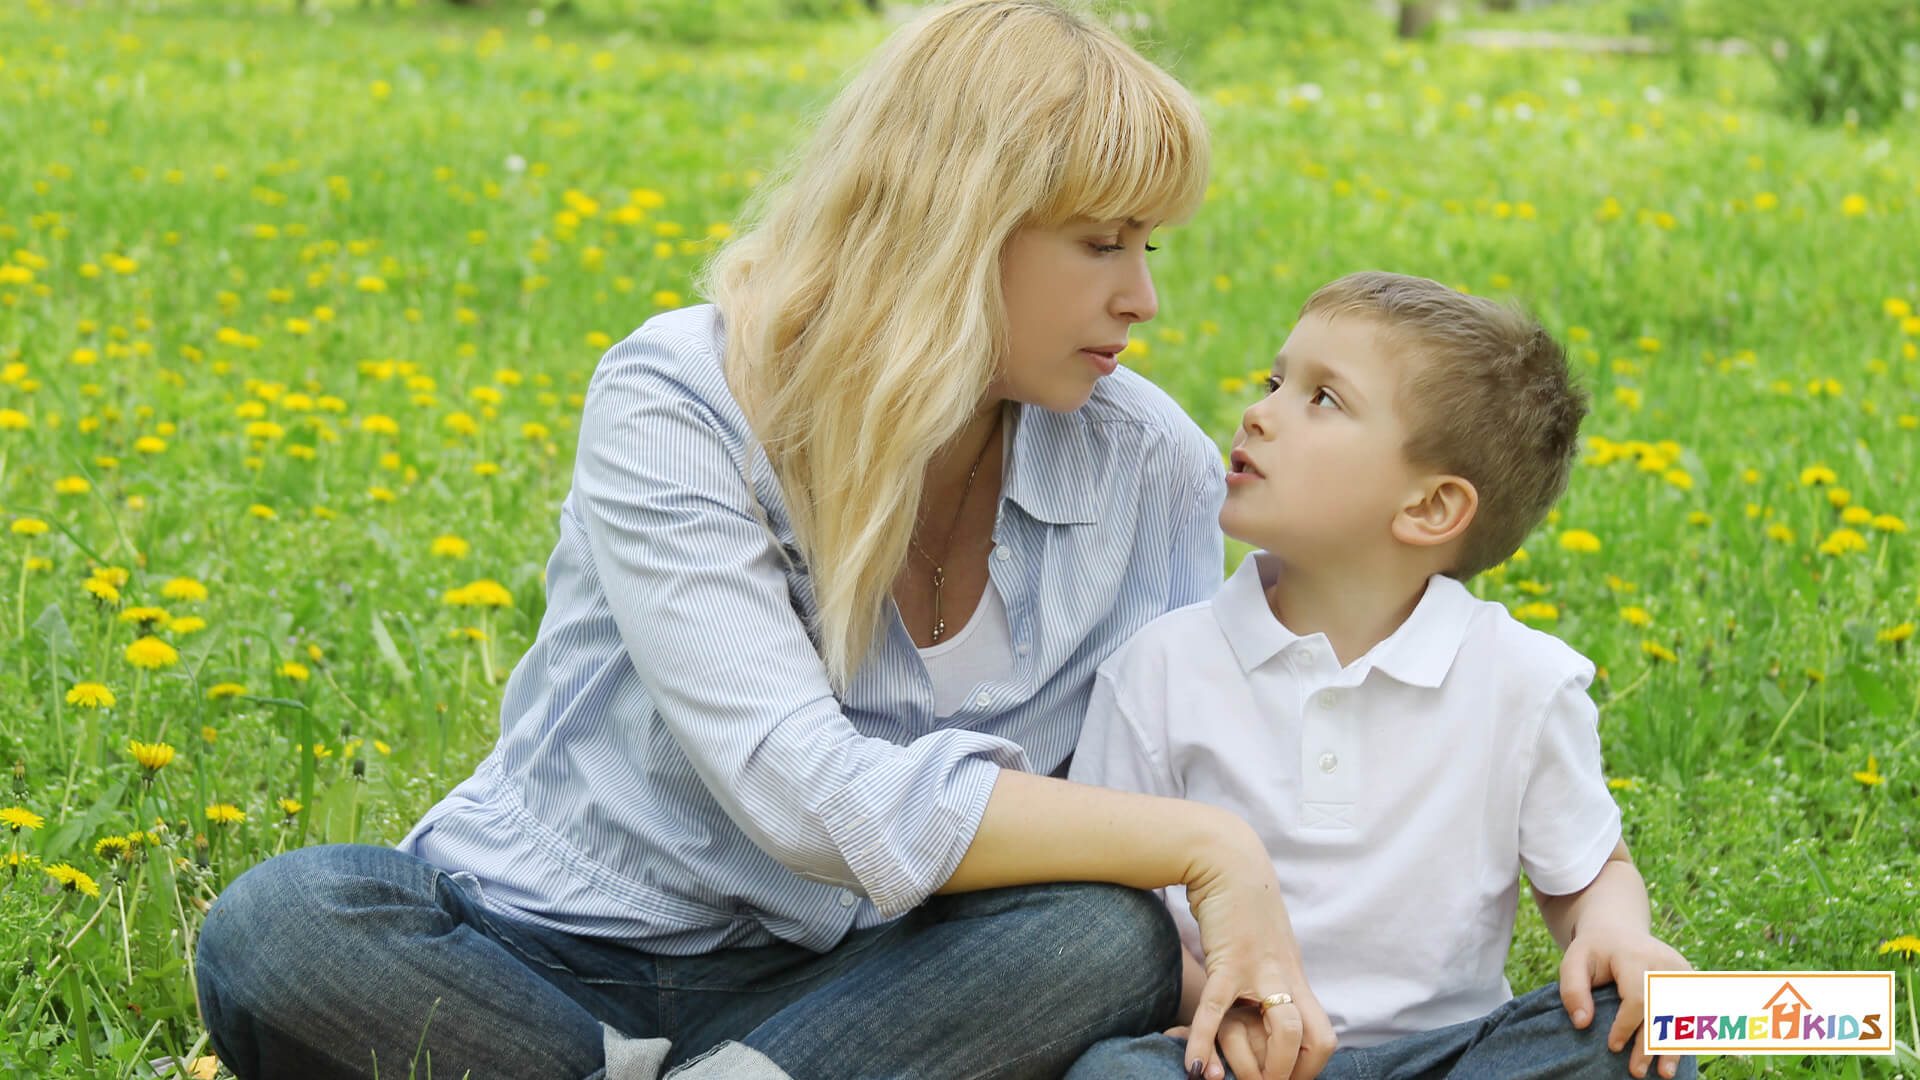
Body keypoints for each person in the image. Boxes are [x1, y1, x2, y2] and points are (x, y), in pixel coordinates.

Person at [192, 3, 1337, 1078]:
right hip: (544, 955)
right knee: (286, 930)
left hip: (872, 983)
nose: (1143, 298)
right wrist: (1208, 847)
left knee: (1098, 937)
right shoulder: (683, 397)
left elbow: (1127, 791)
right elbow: (797, 790)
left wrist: (1208, 977)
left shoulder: (1152, 463)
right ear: (956, 231)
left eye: (1152, 250)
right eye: (1103, 244)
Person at [1064, 272, 1697, 1080]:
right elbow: (1115, 912)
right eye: (1275, 381)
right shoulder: (1159, 667)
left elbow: (1591, 874)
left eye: (1322, 399)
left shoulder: (1523, 682)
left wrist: (1615, 934)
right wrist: (1225, 1012)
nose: (1259, 411)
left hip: (1446, 1058)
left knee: (1633, 1033)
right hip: (1233, 1056)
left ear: (1430, 509)